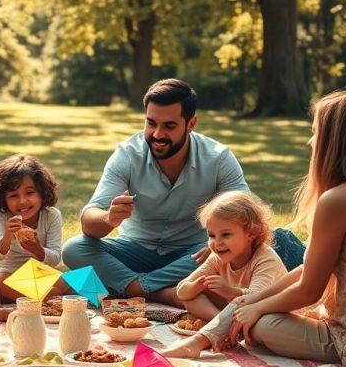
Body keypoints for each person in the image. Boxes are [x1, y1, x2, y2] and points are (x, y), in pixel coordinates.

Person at [168, 87, 346, 367]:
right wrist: (254, 299)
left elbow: (309, 291)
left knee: (260, 324)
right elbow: (309, 269)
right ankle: (201, 340)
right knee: (252, 308)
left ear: (336, 140)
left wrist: (257, 307)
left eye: (316, 131)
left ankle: (199, 341)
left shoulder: (339, 199)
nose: (311, 141)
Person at [62, 79, 249, 303]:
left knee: (222, 253)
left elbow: (247, 215)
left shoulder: (218, 158)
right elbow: (89, 222)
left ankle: (131, 289)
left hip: (191, 254)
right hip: (135, 250)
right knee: (73, 249)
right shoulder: (127, 154)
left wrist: (219, 248)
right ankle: (166, 294)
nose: (157, 134)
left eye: (169, 126)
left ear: (191, 124)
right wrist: (108, 218)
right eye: (151, 123)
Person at [161, 191, 287, 357]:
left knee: (259, 326)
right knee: (191, 296)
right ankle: (220, 323)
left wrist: (231, 291)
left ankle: (220, 327)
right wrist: (198, 285)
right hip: (230, 312)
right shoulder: (217, 258)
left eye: (226, 234)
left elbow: (259, 295)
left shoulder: (265, 259)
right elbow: (181, 291)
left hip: (266, 310)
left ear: (251, 233)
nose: (217, 243)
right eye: (211, 235)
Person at [0, 154, 66, 305]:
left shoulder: (51, 215)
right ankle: (47, 297)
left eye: (29, 193)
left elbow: (55, 259)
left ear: (42, 192)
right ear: (3, 199)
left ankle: (39, 296)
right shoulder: (2, 216)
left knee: (74, 279)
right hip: (7, 272)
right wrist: (7, 235)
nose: (22, 201)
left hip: (36, 274)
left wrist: (38, 250)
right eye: (14, 195)